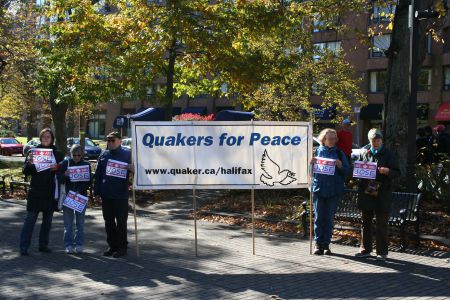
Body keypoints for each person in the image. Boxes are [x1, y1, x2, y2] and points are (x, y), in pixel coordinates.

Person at [355, 128, 400, 261]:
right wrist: (358, 171)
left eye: (378, 140)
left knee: (381, 224)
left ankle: (382, 252)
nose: (375, 142)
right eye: (373, 140)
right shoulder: (365, 153)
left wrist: (388, 171)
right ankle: (365, 250)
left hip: (382, 194)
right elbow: (358, 170)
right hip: (367, 193)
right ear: (369, 141)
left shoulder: (389, 154)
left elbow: (397, 172)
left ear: (382, 140)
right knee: (365, 223)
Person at [19, 128, 64, 256]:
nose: (46, 139)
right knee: (30, 220)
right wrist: (30, 163)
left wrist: (57, 168)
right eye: (43, 136)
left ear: (52, 139)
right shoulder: (33, 152)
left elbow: (63, 172)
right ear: (40, 138)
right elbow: (25, 171)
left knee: (47, 222)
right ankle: (24, 247)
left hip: (50, 192)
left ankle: (43, 245)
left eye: (48, 137)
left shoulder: (57, 154)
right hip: (36, 192)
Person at [311, 128, 350, 255]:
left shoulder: (339, 153)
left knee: (329, 219)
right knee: (318, 218)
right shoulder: (316, 152)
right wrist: (310, 164)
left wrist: (340, 166)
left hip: (334, 191)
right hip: (319, 190)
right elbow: (308, 173)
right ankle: (318, 244)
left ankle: (326, 244)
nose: (333, 141)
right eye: (330, 138)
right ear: (324, 139)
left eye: (334, 138)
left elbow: (347, 172)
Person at [94, 132, 132, 258]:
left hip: (121, 195)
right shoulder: (104, 155)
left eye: (112, 140)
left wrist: (133, 168)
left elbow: (139, 171)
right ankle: (112, 246)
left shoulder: (128, 154)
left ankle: (122, 247)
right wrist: (97, 192)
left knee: (121, 222)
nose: (109, 142)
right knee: (108, 222)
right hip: (106, 194)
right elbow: (98, 175)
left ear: (120, 141)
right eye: (108, 140)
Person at [58, 145, 92, 254]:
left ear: (82, 155)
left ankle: (79, 244)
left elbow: (88, 180)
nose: (76, 157)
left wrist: (80, 190)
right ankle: (68, 244)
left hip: (80, 197)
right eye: (74, 155)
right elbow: (58, 178)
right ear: (70, 154)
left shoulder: (86, 164)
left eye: (79, 155)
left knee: (80, 223)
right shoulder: (65, 163)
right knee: (68, 224)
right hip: (68, 196)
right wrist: (64, 174)